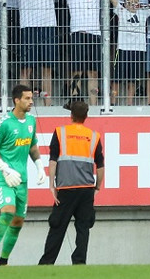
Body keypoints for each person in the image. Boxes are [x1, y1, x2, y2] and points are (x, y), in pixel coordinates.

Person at [39, 98, 104, 265]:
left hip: (66, 189)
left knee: (57, 227)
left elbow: (53, 160)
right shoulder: (94, 136)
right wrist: (97, 187)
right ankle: (79, 262)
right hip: (86, 189)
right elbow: (100, 166)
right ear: (86, 116)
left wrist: (52, 185)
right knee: (83, 228)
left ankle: (47, 262)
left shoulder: (60, 132)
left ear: (71, 115)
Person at [0, 83, 39, 265]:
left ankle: (4, 262)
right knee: (7, 213)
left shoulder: (31, 121)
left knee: (17, 223)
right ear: (17, 100)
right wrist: (4, 168)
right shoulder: (4, 123)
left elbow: (32, 146)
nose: (31, 101)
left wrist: (39, 166)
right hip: (4, 177)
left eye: (32, 98)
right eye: (27, 98)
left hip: (21, 179)